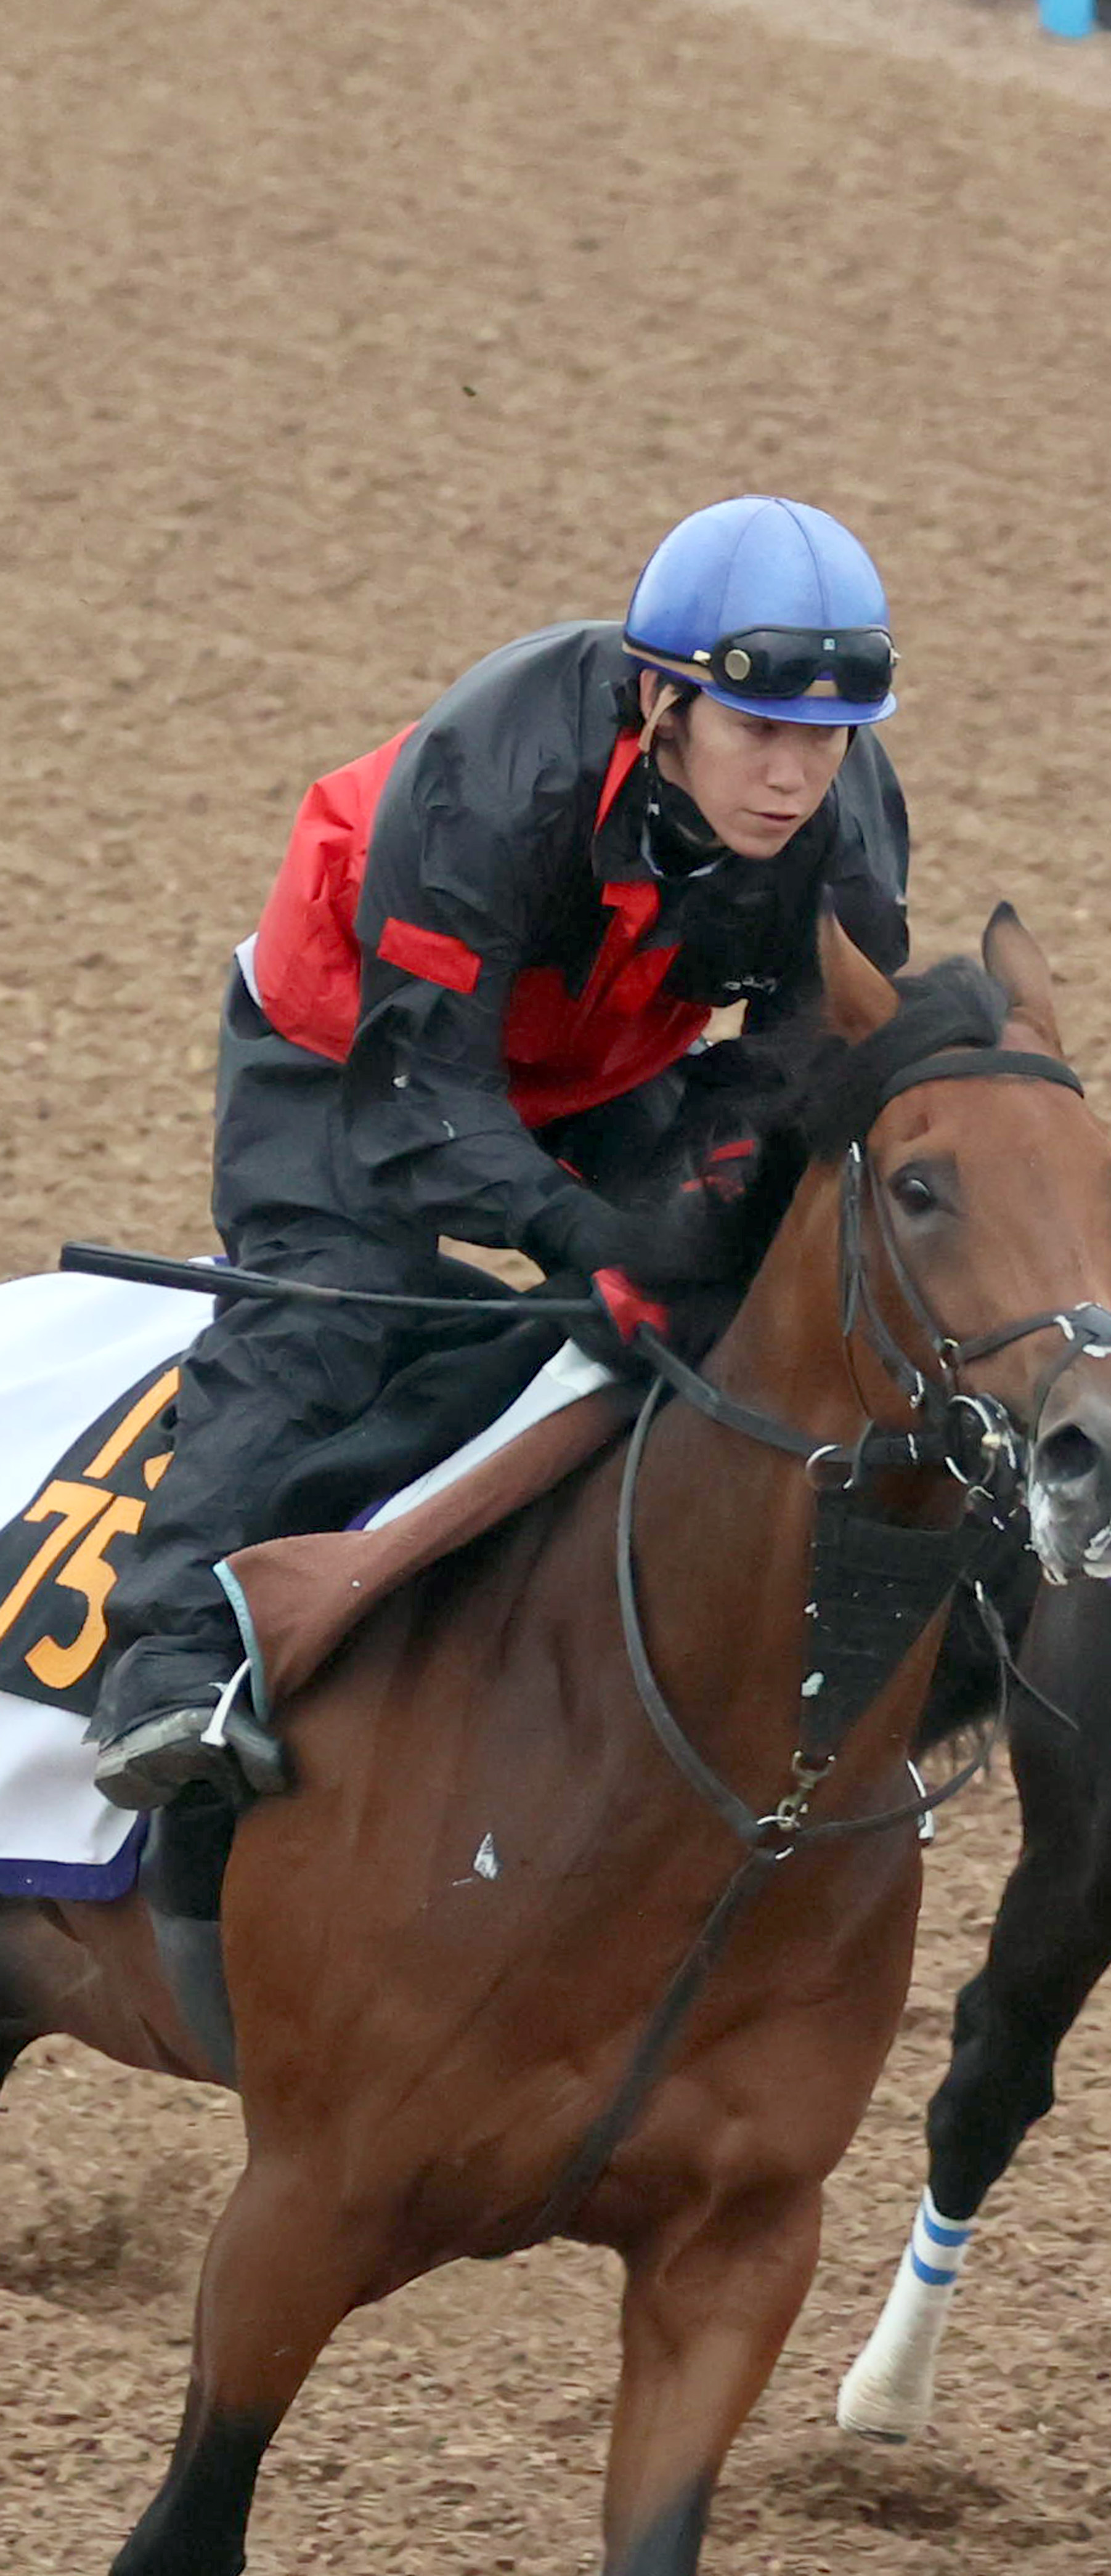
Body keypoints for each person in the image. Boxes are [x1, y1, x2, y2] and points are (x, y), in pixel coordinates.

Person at [86, 495, 912, 1811]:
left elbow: (799, 1074)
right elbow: (426, 1092)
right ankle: (170, 1664)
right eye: (760, 730)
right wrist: (589, 1241)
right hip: (353, 1040)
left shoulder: (847, 823)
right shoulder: (496, 764)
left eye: (828, 740)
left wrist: (699, 1222)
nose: (793, 779)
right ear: (662, 703)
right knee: (324, 1317)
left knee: (720, 1301)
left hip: (607, 1059)